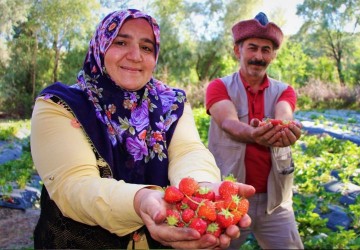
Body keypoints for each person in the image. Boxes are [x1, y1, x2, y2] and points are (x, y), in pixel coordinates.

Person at [30, 9, 255, 249]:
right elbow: (74, 185)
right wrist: (140, 200)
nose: (136, 55)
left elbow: (189, 151)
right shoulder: (60, 104)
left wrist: (200, 189)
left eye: (147, 47)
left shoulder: (171, 102)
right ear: (100, 46)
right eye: (121, 42)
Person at [205, 12, 304, 249]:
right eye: (252, 48)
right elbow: (228, 122)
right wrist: (254, 134)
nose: (259, 56)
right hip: (228, 198)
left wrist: (284, 129)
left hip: (275, 201)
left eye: (266, 50)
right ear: (237, 51)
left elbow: (284, 116)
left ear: (273, 55)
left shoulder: (285, 91)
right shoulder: (219, 87)